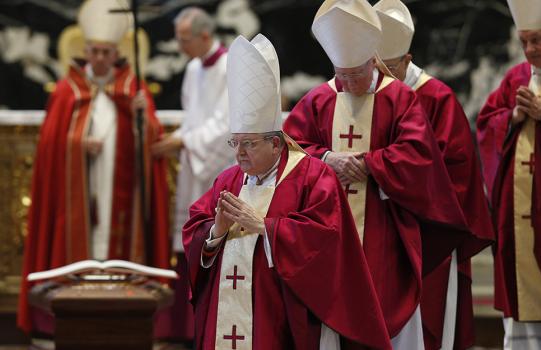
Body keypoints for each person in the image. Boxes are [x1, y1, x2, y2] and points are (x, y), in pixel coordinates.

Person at [283, 0, 472, 349]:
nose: (349, 82)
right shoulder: (318, 100)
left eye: (356, 73)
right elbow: (292, 150)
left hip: (386, 231)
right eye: (343, 74)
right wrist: (326, 158)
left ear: (373, 61)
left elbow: (419, 155)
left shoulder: (400, 98)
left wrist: (371, 164)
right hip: (331, 232)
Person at [183, 33, 391, 350]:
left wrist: (266, 229)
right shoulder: (227, 180)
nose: (239, 153)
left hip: (281, 321)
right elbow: (195, 229)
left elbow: (328, 242)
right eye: (234, 142)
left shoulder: (313, 177)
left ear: (276, 143)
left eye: (249, 143)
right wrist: (215, 232)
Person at [17, 0, 169, 333]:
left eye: (106, 51)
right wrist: (76, 146)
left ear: (116, 53)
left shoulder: (135, 89)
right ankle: (71, 320)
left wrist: (143, 120)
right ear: (85, 50)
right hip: (79, 195)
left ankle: (126, 319)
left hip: (122, 195)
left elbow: (154, 145)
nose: (100, 58)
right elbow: (50, 146)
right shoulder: (66, 90)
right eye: (95, 51)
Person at [372, 1, 495, 349]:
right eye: (373, 66)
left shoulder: (437, 98)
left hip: (427, 240)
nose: (379, 76)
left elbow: (453, 177)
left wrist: (385, 178)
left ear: (407, 60)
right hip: (374, 234)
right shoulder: (361, 98)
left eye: (387, 67)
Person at [476, 0, 541, 348]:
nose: (528, 50)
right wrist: (511, 119)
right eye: (523, 41)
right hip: (517, 221)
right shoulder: (515, 78)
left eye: (536, 40)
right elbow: (485, 124)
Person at [151, 7, 233, 342]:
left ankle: (208, 326)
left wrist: (184, 140)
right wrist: (180, 138)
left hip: (218, 169)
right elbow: (192, 119)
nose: (180, 46)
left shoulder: (230, 67)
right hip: (193, 167)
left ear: (204, 35)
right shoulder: (193, 68)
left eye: (185, 40)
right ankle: (186, 329)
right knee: (189, 245)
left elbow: (225, 124)